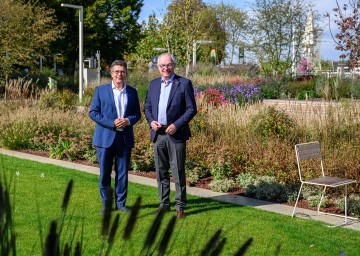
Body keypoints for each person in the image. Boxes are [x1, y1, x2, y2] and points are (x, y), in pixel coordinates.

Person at [144, 53, 197, 219]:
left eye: (168, 65)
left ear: (174, 65)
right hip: (158, 133)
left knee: (178, 171)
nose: (165, 68)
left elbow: (191, 109)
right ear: (158, 67)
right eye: (161, 66)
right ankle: (164, 203)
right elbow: (147, 107)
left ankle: (180, 206)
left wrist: (176, 125)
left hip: (176, 134)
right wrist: (151, 121)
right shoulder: (153, 85)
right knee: (161, 171)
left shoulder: (184, 83)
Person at [89, 60, 141, 214]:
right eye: (116, 71)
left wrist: (128, 121)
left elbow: (137, 114)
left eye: (122, 71)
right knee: (105, 172)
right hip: (105, 138)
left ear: (126, 73)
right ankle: (106, 205)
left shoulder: (132, 92)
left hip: (124, 138)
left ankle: (121, 204)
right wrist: (112, 123)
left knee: (123, 173)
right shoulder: (101, 90)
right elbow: (93, 112)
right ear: (111, 73)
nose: (120, 74)